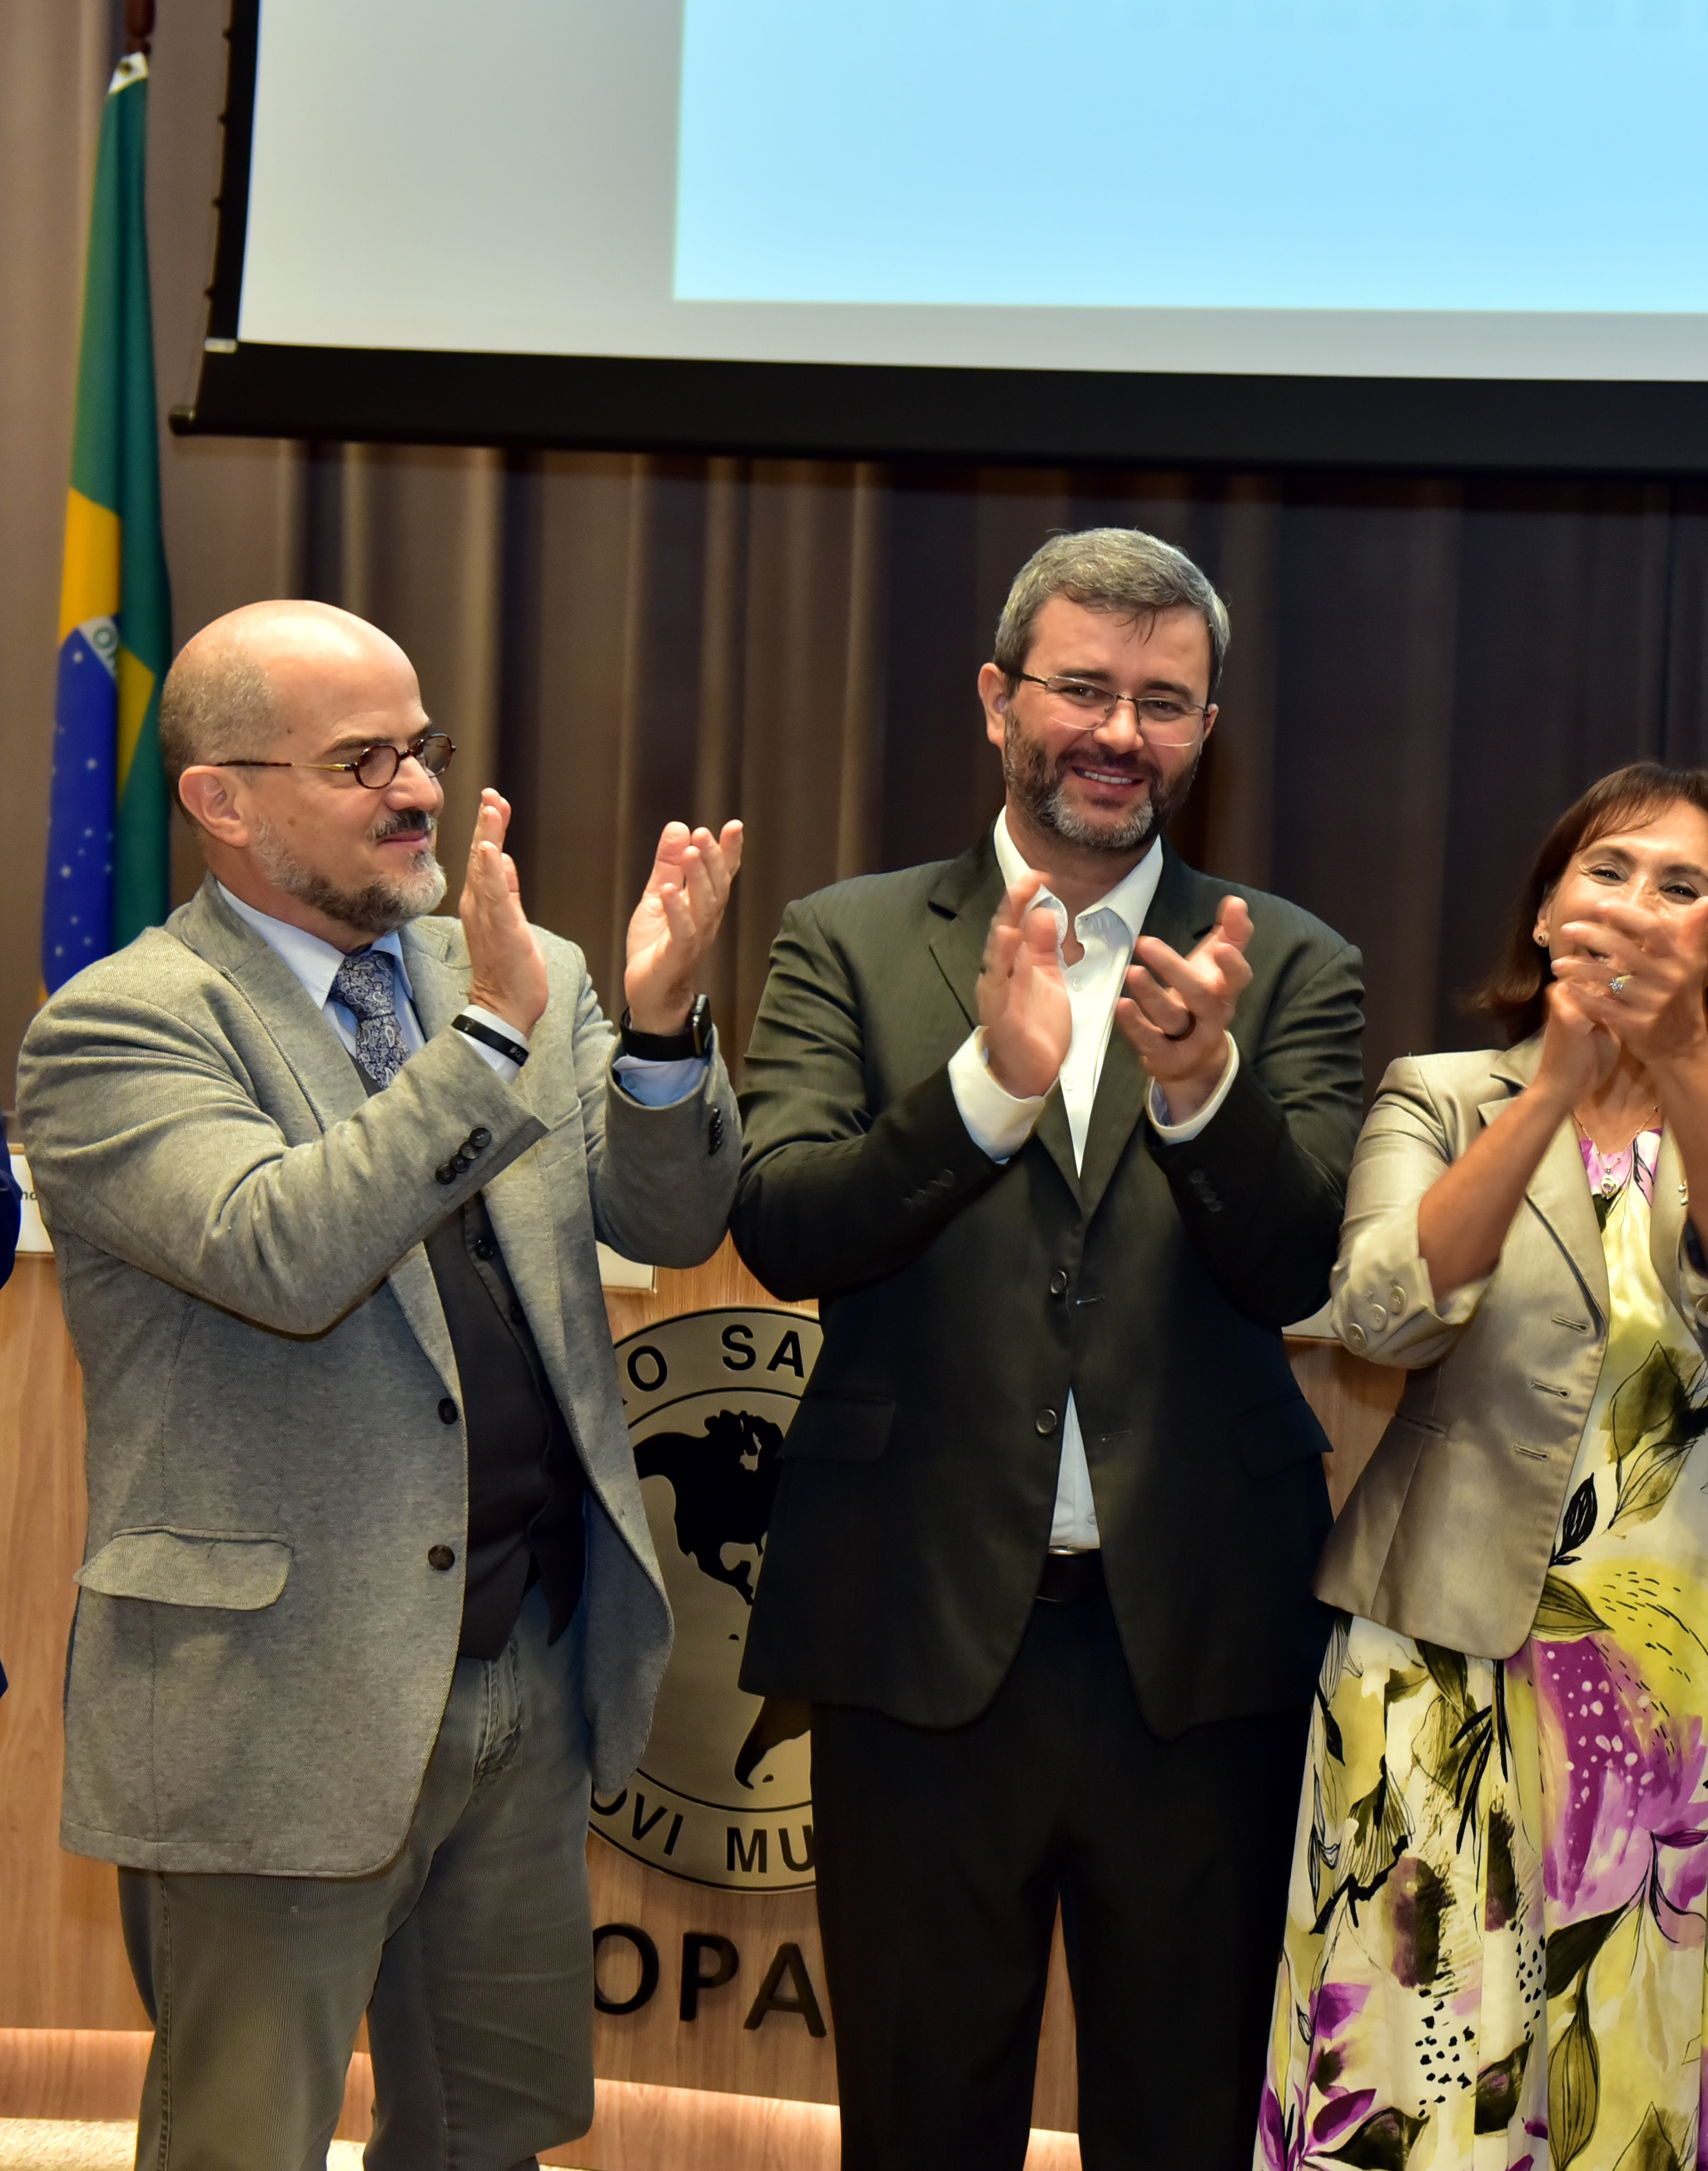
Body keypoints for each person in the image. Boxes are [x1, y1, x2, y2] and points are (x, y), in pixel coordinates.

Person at [17, 599, 744, 2169]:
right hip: (276, 1684)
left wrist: (667, 1025)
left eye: (423, 748)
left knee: (491, 2131)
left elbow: (669, 1216)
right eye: (364, 760)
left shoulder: (522, 971)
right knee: (242, 2142)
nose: (415, 789)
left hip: (522, 1665)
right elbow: (284, 1251)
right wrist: (484, 1037)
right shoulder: (125, 1023)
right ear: (224, 796)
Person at [732, 528, 1366, 2168]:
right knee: (921, 2119)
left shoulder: (1284, 960)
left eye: (1164, 701)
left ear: (1205, 728)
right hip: (918, 1636)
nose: (1118, 732)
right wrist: (983, 1094)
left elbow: (1301, 1263)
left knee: (1184, 2119)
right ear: (996, 697)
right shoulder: (848, 937)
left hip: (1198, 1652)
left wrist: (1200, 1096)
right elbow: (787, 1224)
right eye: (1083, 687)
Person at [1263, 763, 1708, 2171]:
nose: (1639, 904)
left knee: (1675, 2050)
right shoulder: (1437, 1092)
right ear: (1550, 910)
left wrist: (1678, 1061)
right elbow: (1377, 1314)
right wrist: (1551, 1089)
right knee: (1432, 2063)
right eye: (1607, 871)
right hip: (1448, 1656)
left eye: (1684, 887)